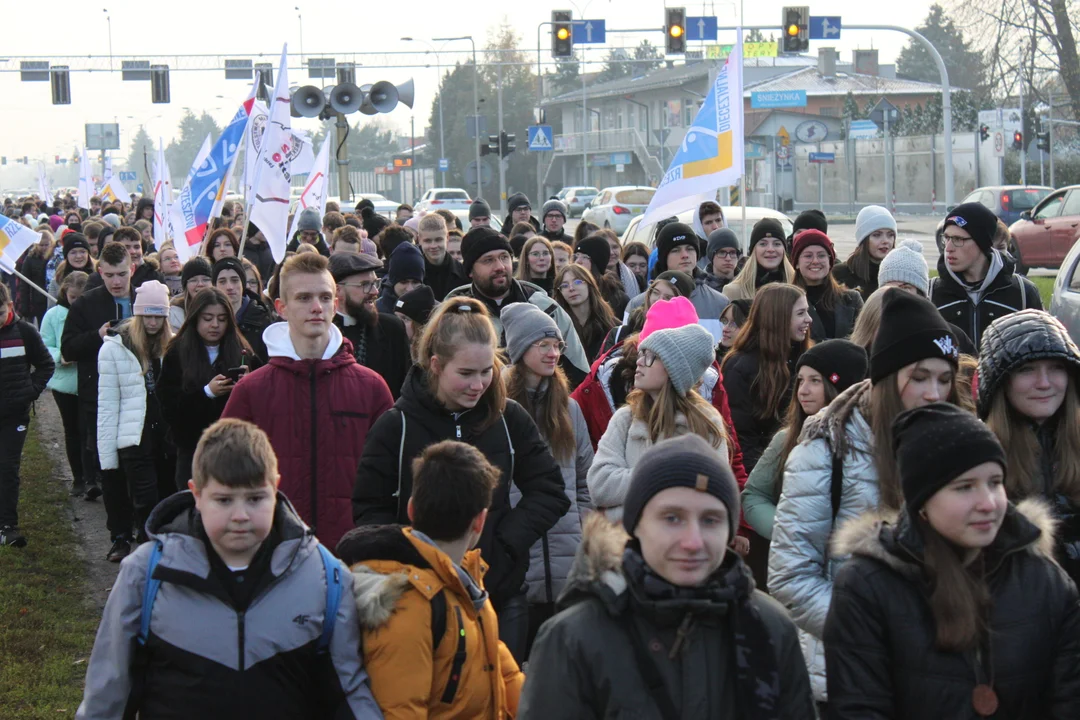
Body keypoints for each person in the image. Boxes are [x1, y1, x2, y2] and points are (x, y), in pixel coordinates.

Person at [75, 418, 383, 719]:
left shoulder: (325, 578)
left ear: (275, 488)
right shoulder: (146, 575)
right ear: (196, 494)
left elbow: (348, 691)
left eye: (255, 498)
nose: (240, 515)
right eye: (223, 500)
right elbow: (109, 689)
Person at [520, 433, 816, 719]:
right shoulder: (574, 639)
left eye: (710, 520)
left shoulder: (772, 629)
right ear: (634, 525)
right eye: (672, 518)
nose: (693, 541)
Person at [768, 289, 962, 705]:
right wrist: (877, 633)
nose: (934, 393)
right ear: (888, 376)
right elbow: (790, 576)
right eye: (920, 377)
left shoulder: (959, 447)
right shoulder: (825, 449)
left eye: (944, 379)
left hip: (939, 675)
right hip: (845, 675)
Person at [825, 403, 1080, 718]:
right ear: (922, 502)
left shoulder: (1046, 582)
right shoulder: (867, 587)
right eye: (964, 487)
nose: (988, 503)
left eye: (995, 482)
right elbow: (859, 708)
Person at [352, 297, 570, 662]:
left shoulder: (508, 417)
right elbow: (368, 508)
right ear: (436, 365)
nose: (479, 384)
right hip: (418, 601)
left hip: (498, 593)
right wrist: (411, 556)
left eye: (486, 371)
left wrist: (503, 543)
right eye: (466, 374)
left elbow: (550, 490)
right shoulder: (396, 425)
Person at [339, 440, 525, 718]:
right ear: (480, 521)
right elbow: (401, 711)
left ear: (412, 509)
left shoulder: (465, 581)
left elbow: (500, 668)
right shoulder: (409, 603)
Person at [223, 253, 393, 551]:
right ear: (281, 307)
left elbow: (391, 479)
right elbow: (225, 478)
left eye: (324, 297)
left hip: (353, 553)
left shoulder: (372, 388)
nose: (316, 307)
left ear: (335, 303)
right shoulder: (251, 391)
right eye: (303, 298)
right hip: (273, 554)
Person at [502, 303, 594, 647]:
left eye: (557, 345)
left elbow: (586, 476)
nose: (554, 353)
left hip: (568, 560)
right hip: (516, 560)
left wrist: (583, 524)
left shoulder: (569, 408)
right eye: (544, 345)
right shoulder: (496, 406)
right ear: (521, 349)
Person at [739, 339, 867, 586]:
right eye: (800, 380)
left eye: (815, 381)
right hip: (796, 574)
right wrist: (788, 529)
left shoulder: (872, 443)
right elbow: (753, 496)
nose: (803, 390)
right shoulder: (785, 440)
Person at [588, 300, 726, 521]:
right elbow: (600, 484)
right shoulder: (626, 418)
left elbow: (713, 492)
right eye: (641, 353)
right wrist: (664, 476)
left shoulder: (706, 422)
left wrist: (627, 506)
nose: (640, 362)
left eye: (650, 356)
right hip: (626, 547)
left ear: (674, 370)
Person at [978, 309, 1080, 584]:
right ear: (1000, 381)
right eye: (1027, 370)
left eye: (1056, 368)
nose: (1044, 383)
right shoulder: (975, 455)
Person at [445, 226, 590, 387]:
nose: (500, 266)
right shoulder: (456, 316)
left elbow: (580, 377)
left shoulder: (545, 308)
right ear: (470, 270)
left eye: (504, 257)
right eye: (488, 260)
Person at [96, 281, 174, 549]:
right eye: (147, 316)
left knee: (165, 495)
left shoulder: (172, 347)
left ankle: (156, 549)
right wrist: (106, 454)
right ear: (138, 315)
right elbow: (107, 403)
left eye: (158, 316)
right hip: (133, 435)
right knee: (144, 496)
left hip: (165, 435)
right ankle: (143, 549)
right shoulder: (115, 348)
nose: (153, 323)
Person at [62, 242, 136, 514]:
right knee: (109, 463)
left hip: (139, 392)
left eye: (122, 274)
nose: (116, 282)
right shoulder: (85, 304)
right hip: (100, 393)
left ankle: (140, 521)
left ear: (132, 270)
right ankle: (118, 530)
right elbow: (68, 347)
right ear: (100, 271)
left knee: (139, 460)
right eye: (110, 275)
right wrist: (98, 336)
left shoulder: (145, 298)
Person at [159, 287, 254, 492]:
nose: (215, 325)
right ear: (195, 318)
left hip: (232, 448)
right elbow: (168, 404)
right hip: (192, 449)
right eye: (208, 318)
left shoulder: (241, 349)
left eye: (221, 319)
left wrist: (248, 383)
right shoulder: (178, 352)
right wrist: (206, 393)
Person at [721, 284, 812, 473]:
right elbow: (741, 436)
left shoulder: (804, 361)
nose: (808, 319)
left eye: (807, 312)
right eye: (801, 313)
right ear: (778, 317)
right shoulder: (740, 366)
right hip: (763, 474)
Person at [930, 201, 1042, 351]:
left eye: (958, 239)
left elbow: (1038, 350)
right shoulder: (931, 293)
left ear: (982, 242)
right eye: (947, 238)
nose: (948, 248)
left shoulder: (1023, 292)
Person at [0, 282, 54, 548]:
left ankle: (7, 525)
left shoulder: (25, 332)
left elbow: (46, 364)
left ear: (9, 306)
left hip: (14, 416)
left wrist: (29, 391)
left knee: (7, 468)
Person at [624, 222, 730, 341]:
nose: (685, 255)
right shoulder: (637, 304)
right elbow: (626, 352)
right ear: (664, 257)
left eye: (690, 249)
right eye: (676, 250)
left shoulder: (719, 303)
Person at [329, 253, 411, 400]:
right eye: (365, 285)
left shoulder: (392, 329)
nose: (375, 291)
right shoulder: (322, 332)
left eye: (375, 283)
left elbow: (405, 391)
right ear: (338, 290)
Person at [41, 270, 89, 495]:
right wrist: (59, 355)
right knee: (72, 430)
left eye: (82, 298)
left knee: (88, 428)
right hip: (65, 384)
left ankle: (92, 475)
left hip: (90, 381)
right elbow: (44, 345)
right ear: (65, 293)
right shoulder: (53, 316)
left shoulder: (92, 313)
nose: (77, 303)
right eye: (73, 298)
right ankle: (78, 478)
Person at [792, 229, 864, 341]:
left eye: (821, 256)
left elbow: (864, 338)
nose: (815, 261)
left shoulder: (852, 300)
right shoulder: (786, 302)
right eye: (808, 256)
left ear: (830, 262)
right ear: (796, 263)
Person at [601, 270, 694, 356]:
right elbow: (602, 370)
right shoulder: (619, 333)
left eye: (668, 297)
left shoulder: (685, 342)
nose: (659, 300)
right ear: (649, 294)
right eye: (656, 293)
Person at [555, 264, 618, 366]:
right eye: (564, 285)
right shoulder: (556, 327)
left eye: (578, 282)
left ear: (589, 284)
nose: (571, 288)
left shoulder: (612, 326)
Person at [214, 257, 273, 363]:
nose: (229, 287)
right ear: (215, 286)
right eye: (222, 281)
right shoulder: (209, 320)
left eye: (235, 280)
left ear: (242, 284)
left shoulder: (262, 318)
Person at [723, 218, 796, 302]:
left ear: (784, 250)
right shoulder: (733, 291)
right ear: (754, 250)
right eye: (763, 244)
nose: (770, 249)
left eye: (777, 244)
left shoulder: (797, 286)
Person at [833, 205, 896, 299]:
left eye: (890, 235)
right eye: (877, 235)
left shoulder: (899, 275)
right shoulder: (839, 274)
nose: (885, 241)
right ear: (863, 240)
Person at [573, 234, 629, 317]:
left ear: (597, 263)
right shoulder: (569, 289)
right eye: (576, 256)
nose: (578, 261)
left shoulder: (616, 298)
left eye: (585, 257)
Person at [417, 213, 467, 301]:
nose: (433, 246)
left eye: (438, 240)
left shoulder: (463, 272)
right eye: (428, 241)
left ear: (447, 237)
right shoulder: (414, 273)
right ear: (419, 240)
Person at [393, 284, 437, 363]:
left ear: (420, 324)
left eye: (405, 319)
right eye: (396, 317)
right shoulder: (393, 348)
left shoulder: (434, 357)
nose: (397, 322)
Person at [376, 242, 425, 314]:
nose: (410, 289)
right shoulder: (377, 312)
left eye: (415, 282)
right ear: (393, 281)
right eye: (404, 282)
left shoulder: (432, 310)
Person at [169, 256, 213, 333]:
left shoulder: (220, 309)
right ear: (186, 286)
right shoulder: (175, 314)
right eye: (193, 280)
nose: (200, 284)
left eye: (205, 279)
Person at [703, 227, 742, 292]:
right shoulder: (701, 288)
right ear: (711, 255)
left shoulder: (746, 285)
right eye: (722, 252)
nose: (728, 258)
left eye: (732, 253)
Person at [242, 221, 276, 286]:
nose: (265, 232)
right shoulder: (242, 250)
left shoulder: (270, 250)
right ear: (254, 230)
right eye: (262, 229)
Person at [718, 297, 752, 362]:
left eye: (734, 324)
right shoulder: (713, 357)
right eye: (725, 321)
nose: (725, 329)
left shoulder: (748, 363)